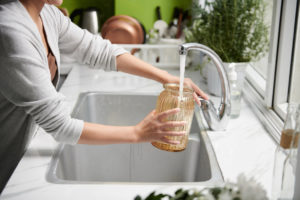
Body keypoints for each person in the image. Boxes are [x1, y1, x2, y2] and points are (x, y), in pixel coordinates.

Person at [0, 0, 209, 193]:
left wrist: (167, 78)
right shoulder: (10, 30)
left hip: (20, 156)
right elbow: (61, 126)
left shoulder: (47, 14)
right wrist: (137, 133)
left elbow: (98, 50)